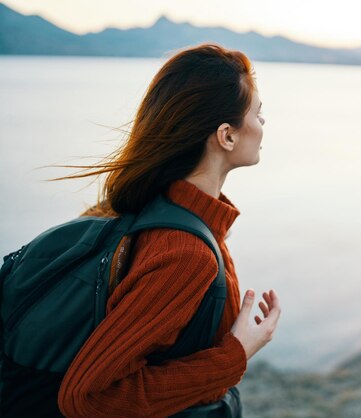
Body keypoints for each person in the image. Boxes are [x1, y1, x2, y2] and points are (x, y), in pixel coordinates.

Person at [53, 43, 281, 418]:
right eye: (257, 113)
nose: (263, 124)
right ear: (226, 135)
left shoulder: (161, 210)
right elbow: (87, 397)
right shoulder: (184, 253)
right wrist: (237, 353)